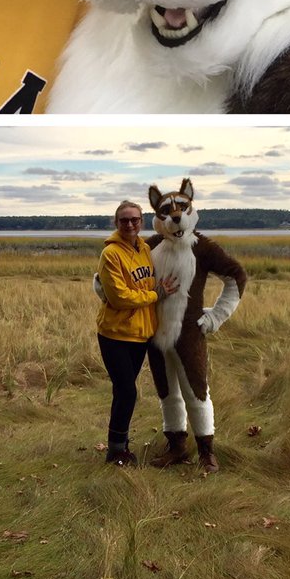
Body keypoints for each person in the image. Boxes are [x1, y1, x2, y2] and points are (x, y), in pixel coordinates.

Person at [95, 200, 178, 467]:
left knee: (124, 392)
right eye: (124, 220)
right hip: (115, 334)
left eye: (135, 219)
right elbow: (119, 297)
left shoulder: (144, 249)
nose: (130, 224)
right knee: (127, 391)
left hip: (140, 334)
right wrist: (156, 294)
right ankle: (116, 450)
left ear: (141, 221)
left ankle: (120, 445)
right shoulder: (110, 254)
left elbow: (148, 281)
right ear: (116, 222)